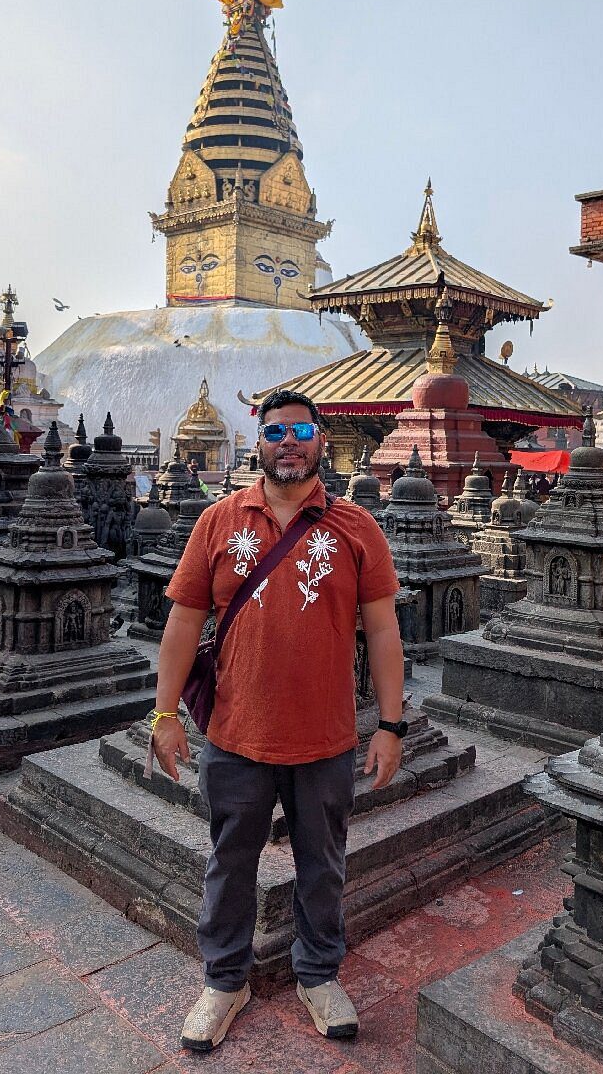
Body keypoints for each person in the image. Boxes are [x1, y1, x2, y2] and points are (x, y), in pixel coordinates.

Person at [152, 389, 405, 1053]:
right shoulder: (219, 521)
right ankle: (224, 979)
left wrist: (391, 724)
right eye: (274, 432)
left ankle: (318, 974)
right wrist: (164, 712)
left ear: (322, 440)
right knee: (230, 859)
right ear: (257, 443)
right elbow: (183, 619)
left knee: (322, 862)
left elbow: (382, 631)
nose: (287, 442)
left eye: (299, 430)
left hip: (325, 737)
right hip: (235, 733)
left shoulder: (355, 528)